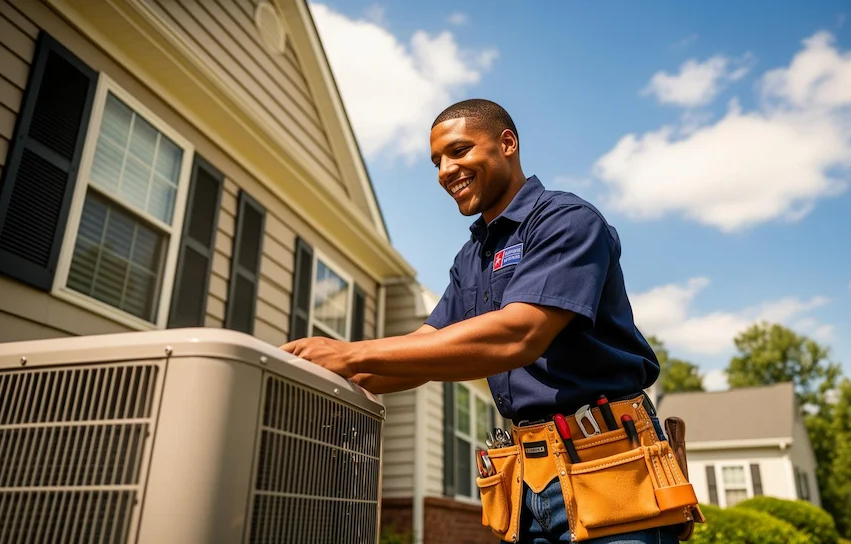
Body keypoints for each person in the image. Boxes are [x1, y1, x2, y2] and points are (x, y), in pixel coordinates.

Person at [282, 99, 693, 544]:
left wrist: (350, 351)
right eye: (437, 161)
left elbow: (521, 333)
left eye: (458, 151)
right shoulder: (471, 256)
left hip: (610, 466)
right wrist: (312, 374)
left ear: (507, 143)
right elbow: (423, 350)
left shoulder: (565, 220)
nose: (445, 170)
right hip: (526, 481)